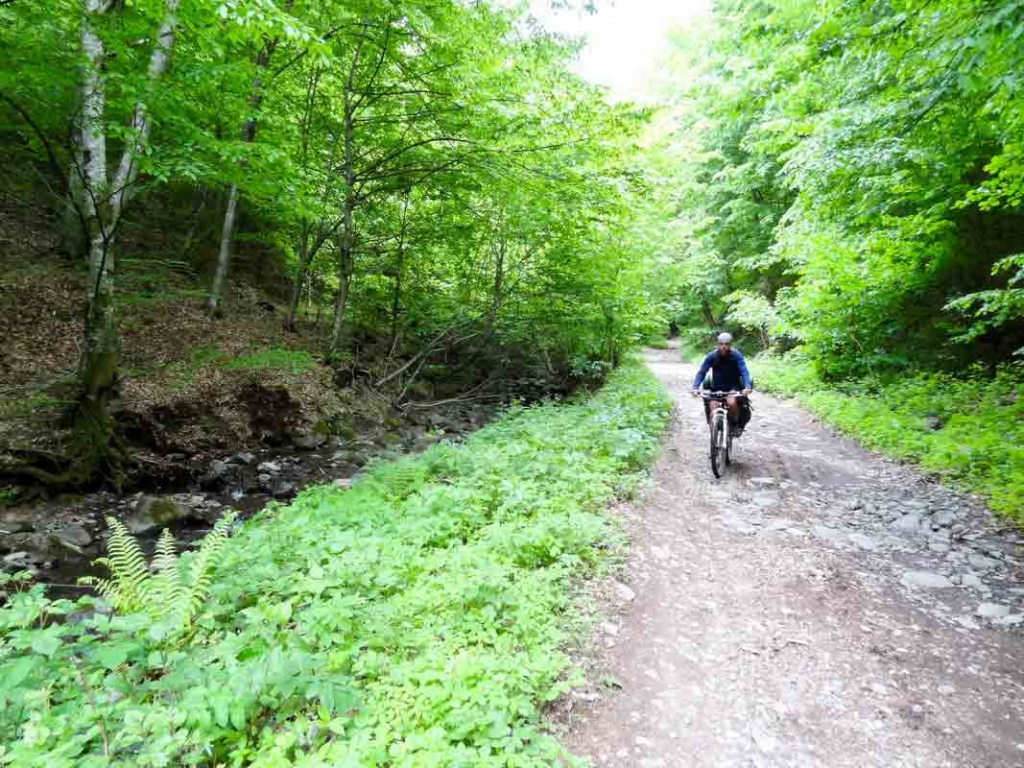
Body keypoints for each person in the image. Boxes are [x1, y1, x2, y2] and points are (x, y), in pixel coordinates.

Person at [690, 332, 752, 426]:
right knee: (712, 407)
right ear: (718, 344)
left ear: (730, 345)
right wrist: (695, 387)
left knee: (731, 402)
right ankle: (713, 429)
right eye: (721, 344)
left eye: (726, 344)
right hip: (716, 388)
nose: (723, 346)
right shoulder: (712, 356)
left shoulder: (737, 356)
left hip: (733, 387)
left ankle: (735, 423)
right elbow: (702, 372)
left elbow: (744, 371)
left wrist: (747, 386)